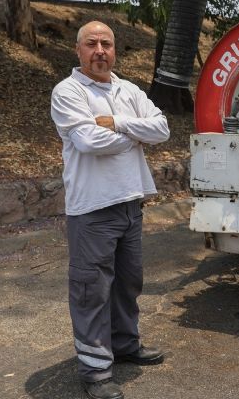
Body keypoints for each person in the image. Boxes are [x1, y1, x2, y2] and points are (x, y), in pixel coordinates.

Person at [50, 21, 170, 399]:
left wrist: (117, 123)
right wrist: (136, 136)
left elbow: (163, 128)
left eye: (106, 43)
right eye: (92, 43)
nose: (100, 50)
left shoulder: (128, 90)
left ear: (114, 50)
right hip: (92, 210)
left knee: (127, 283)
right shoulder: (68, 91)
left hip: (130, 202)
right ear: (79, 49)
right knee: (91, 290)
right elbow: (88, 140)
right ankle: (95, 369)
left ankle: (124, 346)